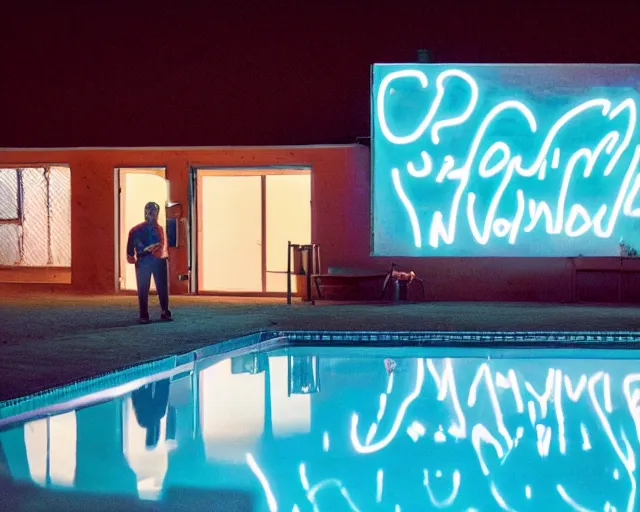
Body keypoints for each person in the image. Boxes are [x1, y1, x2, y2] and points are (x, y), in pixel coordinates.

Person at [126, 202, 172, 324]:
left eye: (153, 212)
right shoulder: (138, 230)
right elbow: (130, 252)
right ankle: (154, 313)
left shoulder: (138, 230)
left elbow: (131, 253)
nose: (152, 215)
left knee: (155, 288)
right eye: (150, 212)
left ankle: (155, 313)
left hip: (148, 261)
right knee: (146, 289)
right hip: (148, 261)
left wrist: (134, 256)